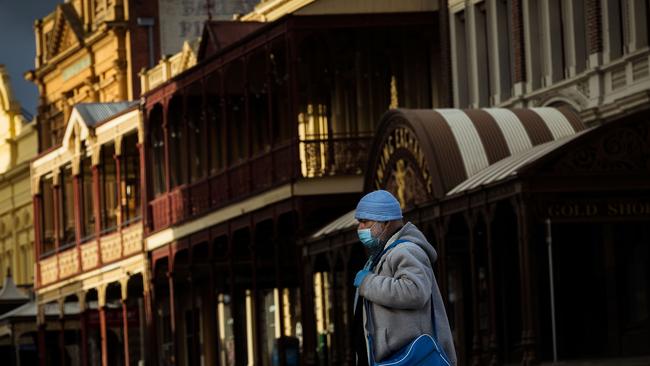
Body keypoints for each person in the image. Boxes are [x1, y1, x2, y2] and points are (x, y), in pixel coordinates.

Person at [352, 190, 456, 365]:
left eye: (364, 222)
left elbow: (415, 291)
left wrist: (368, 283)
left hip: (409, 359)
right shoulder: (380, 256)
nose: (359, 228)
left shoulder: (406, 250)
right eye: (359, 222)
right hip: (394, 360)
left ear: (385, 222)